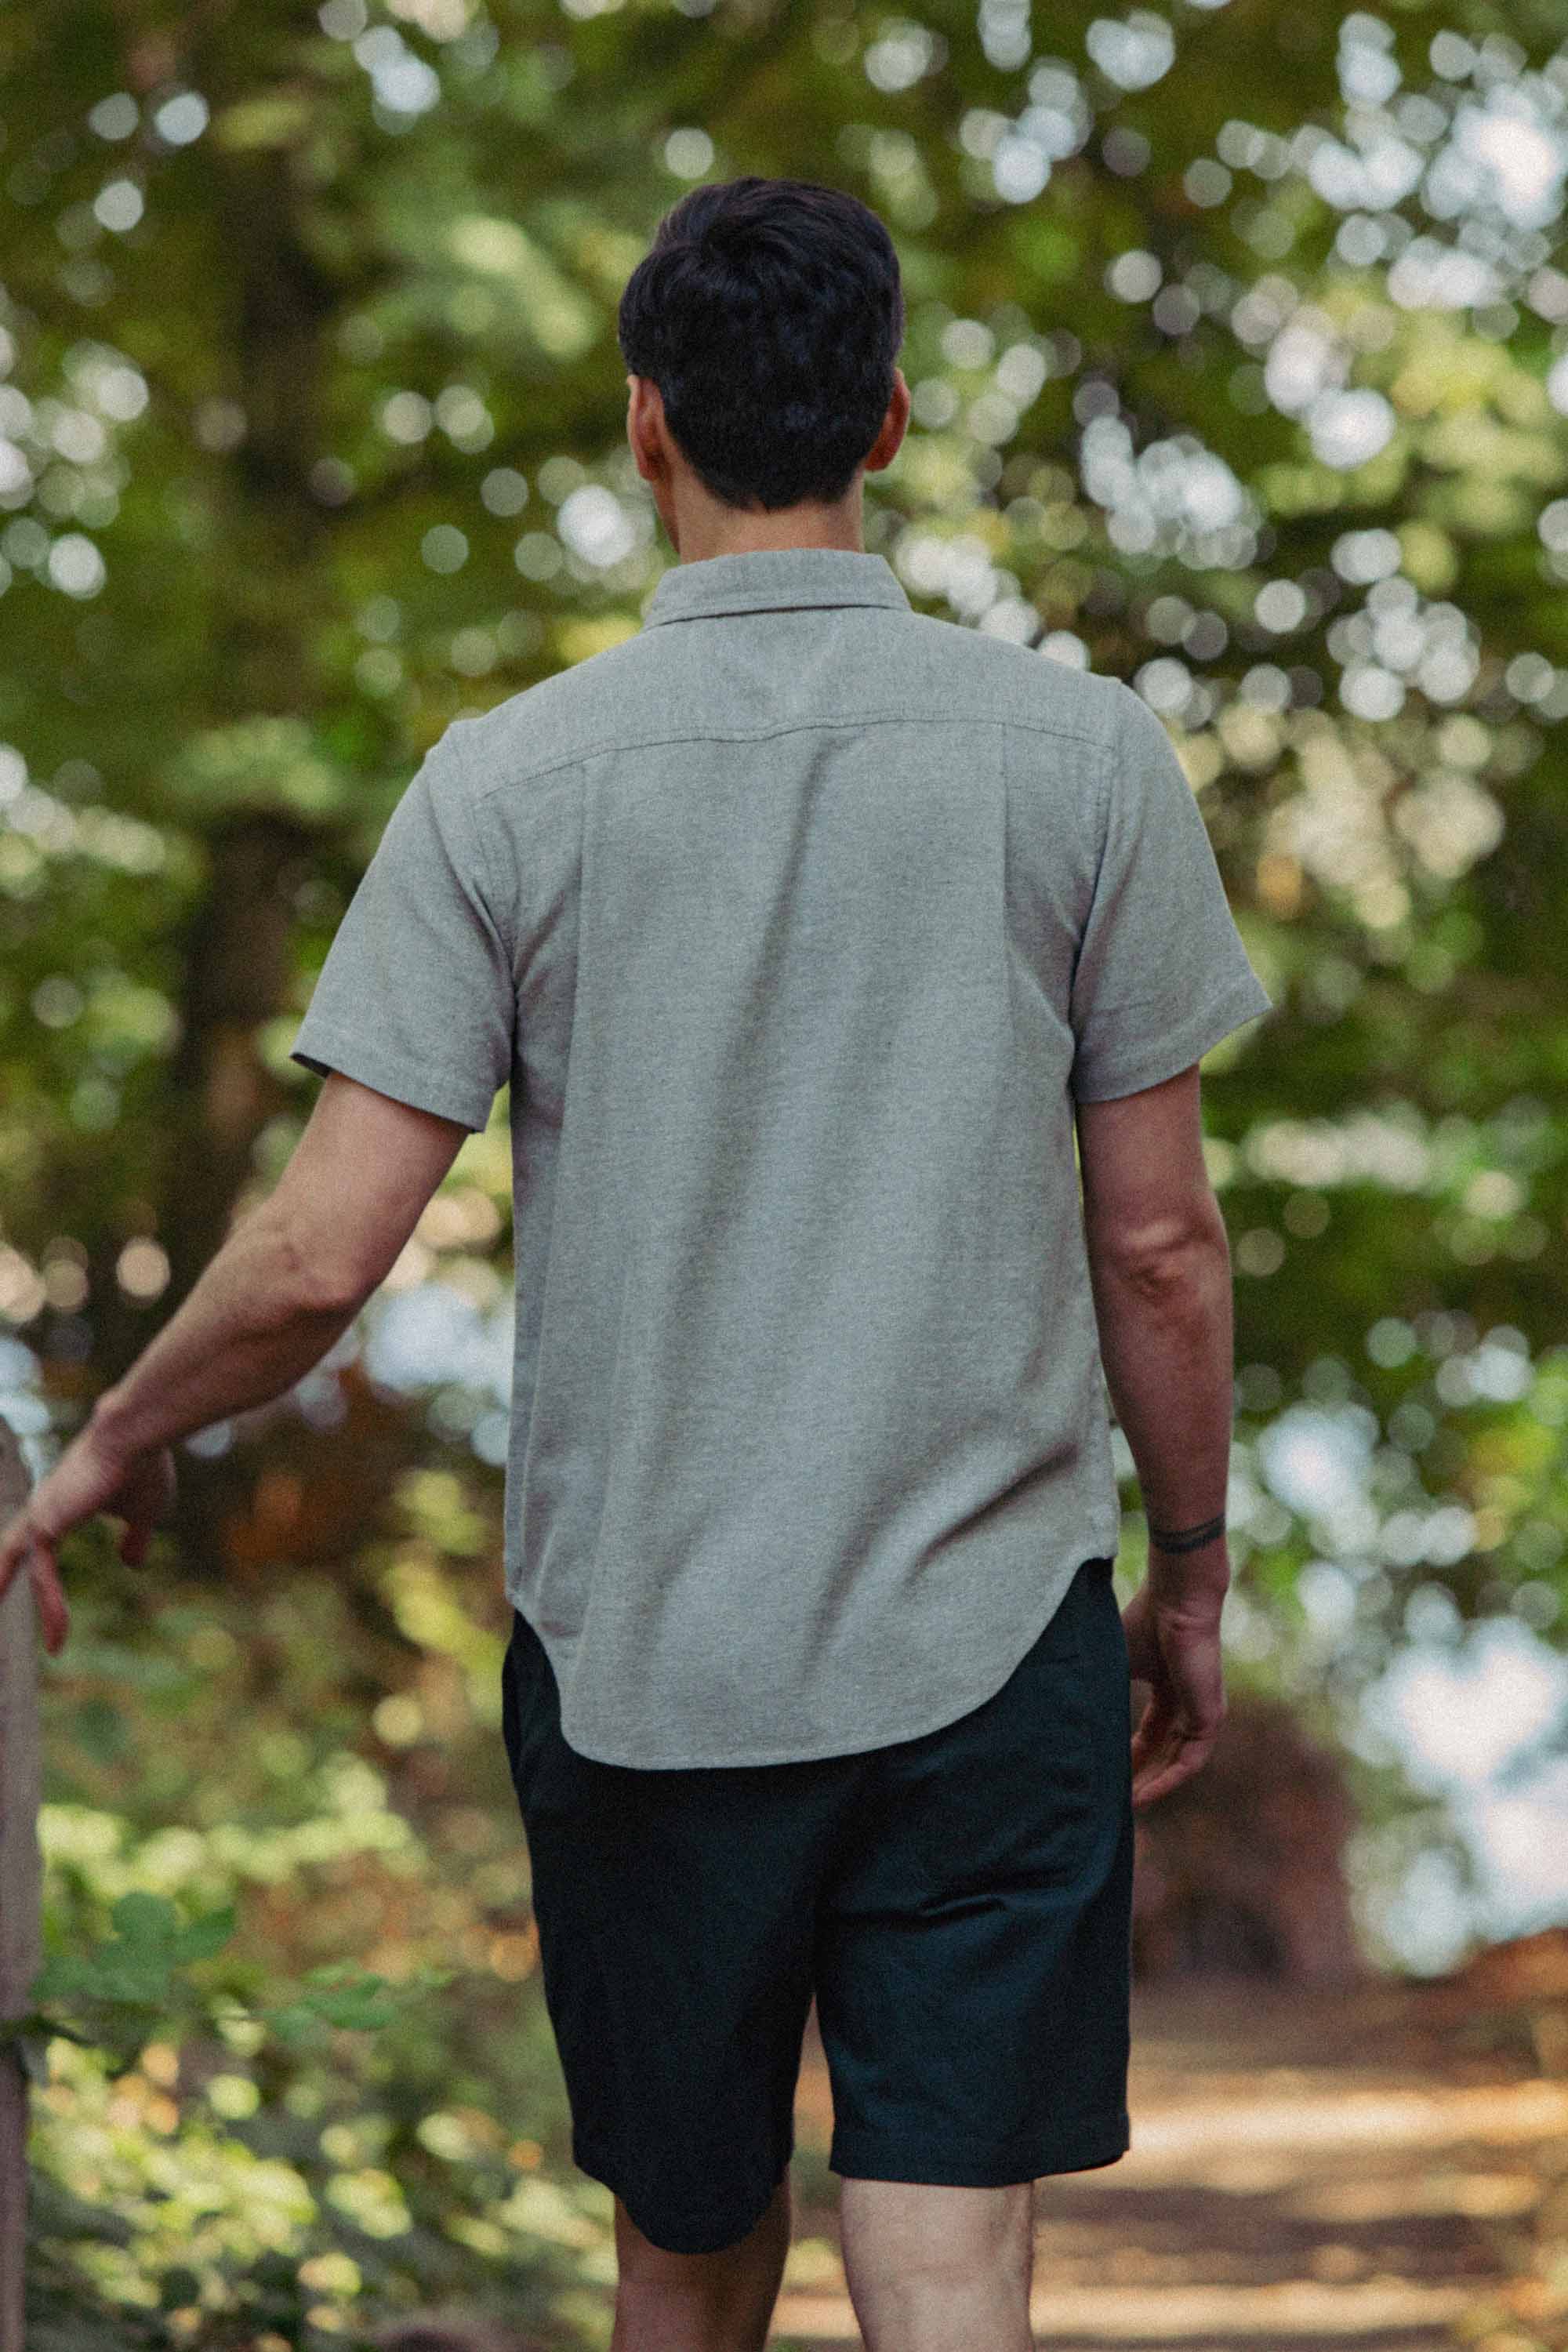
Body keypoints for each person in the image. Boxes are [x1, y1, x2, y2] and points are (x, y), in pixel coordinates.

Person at [0, 176, 1272, 2351]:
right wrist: (1193, 1567)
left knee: (684, 2253)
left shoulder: (507, 788)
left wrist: (115, 1434)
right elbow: (1159, 1244)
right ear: (887, 419)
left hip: (651, 1668)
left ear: (644, 422)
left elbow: (315, 1255)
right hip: (993, 1642)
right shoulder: (1083, 764)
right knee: (949, 2240)